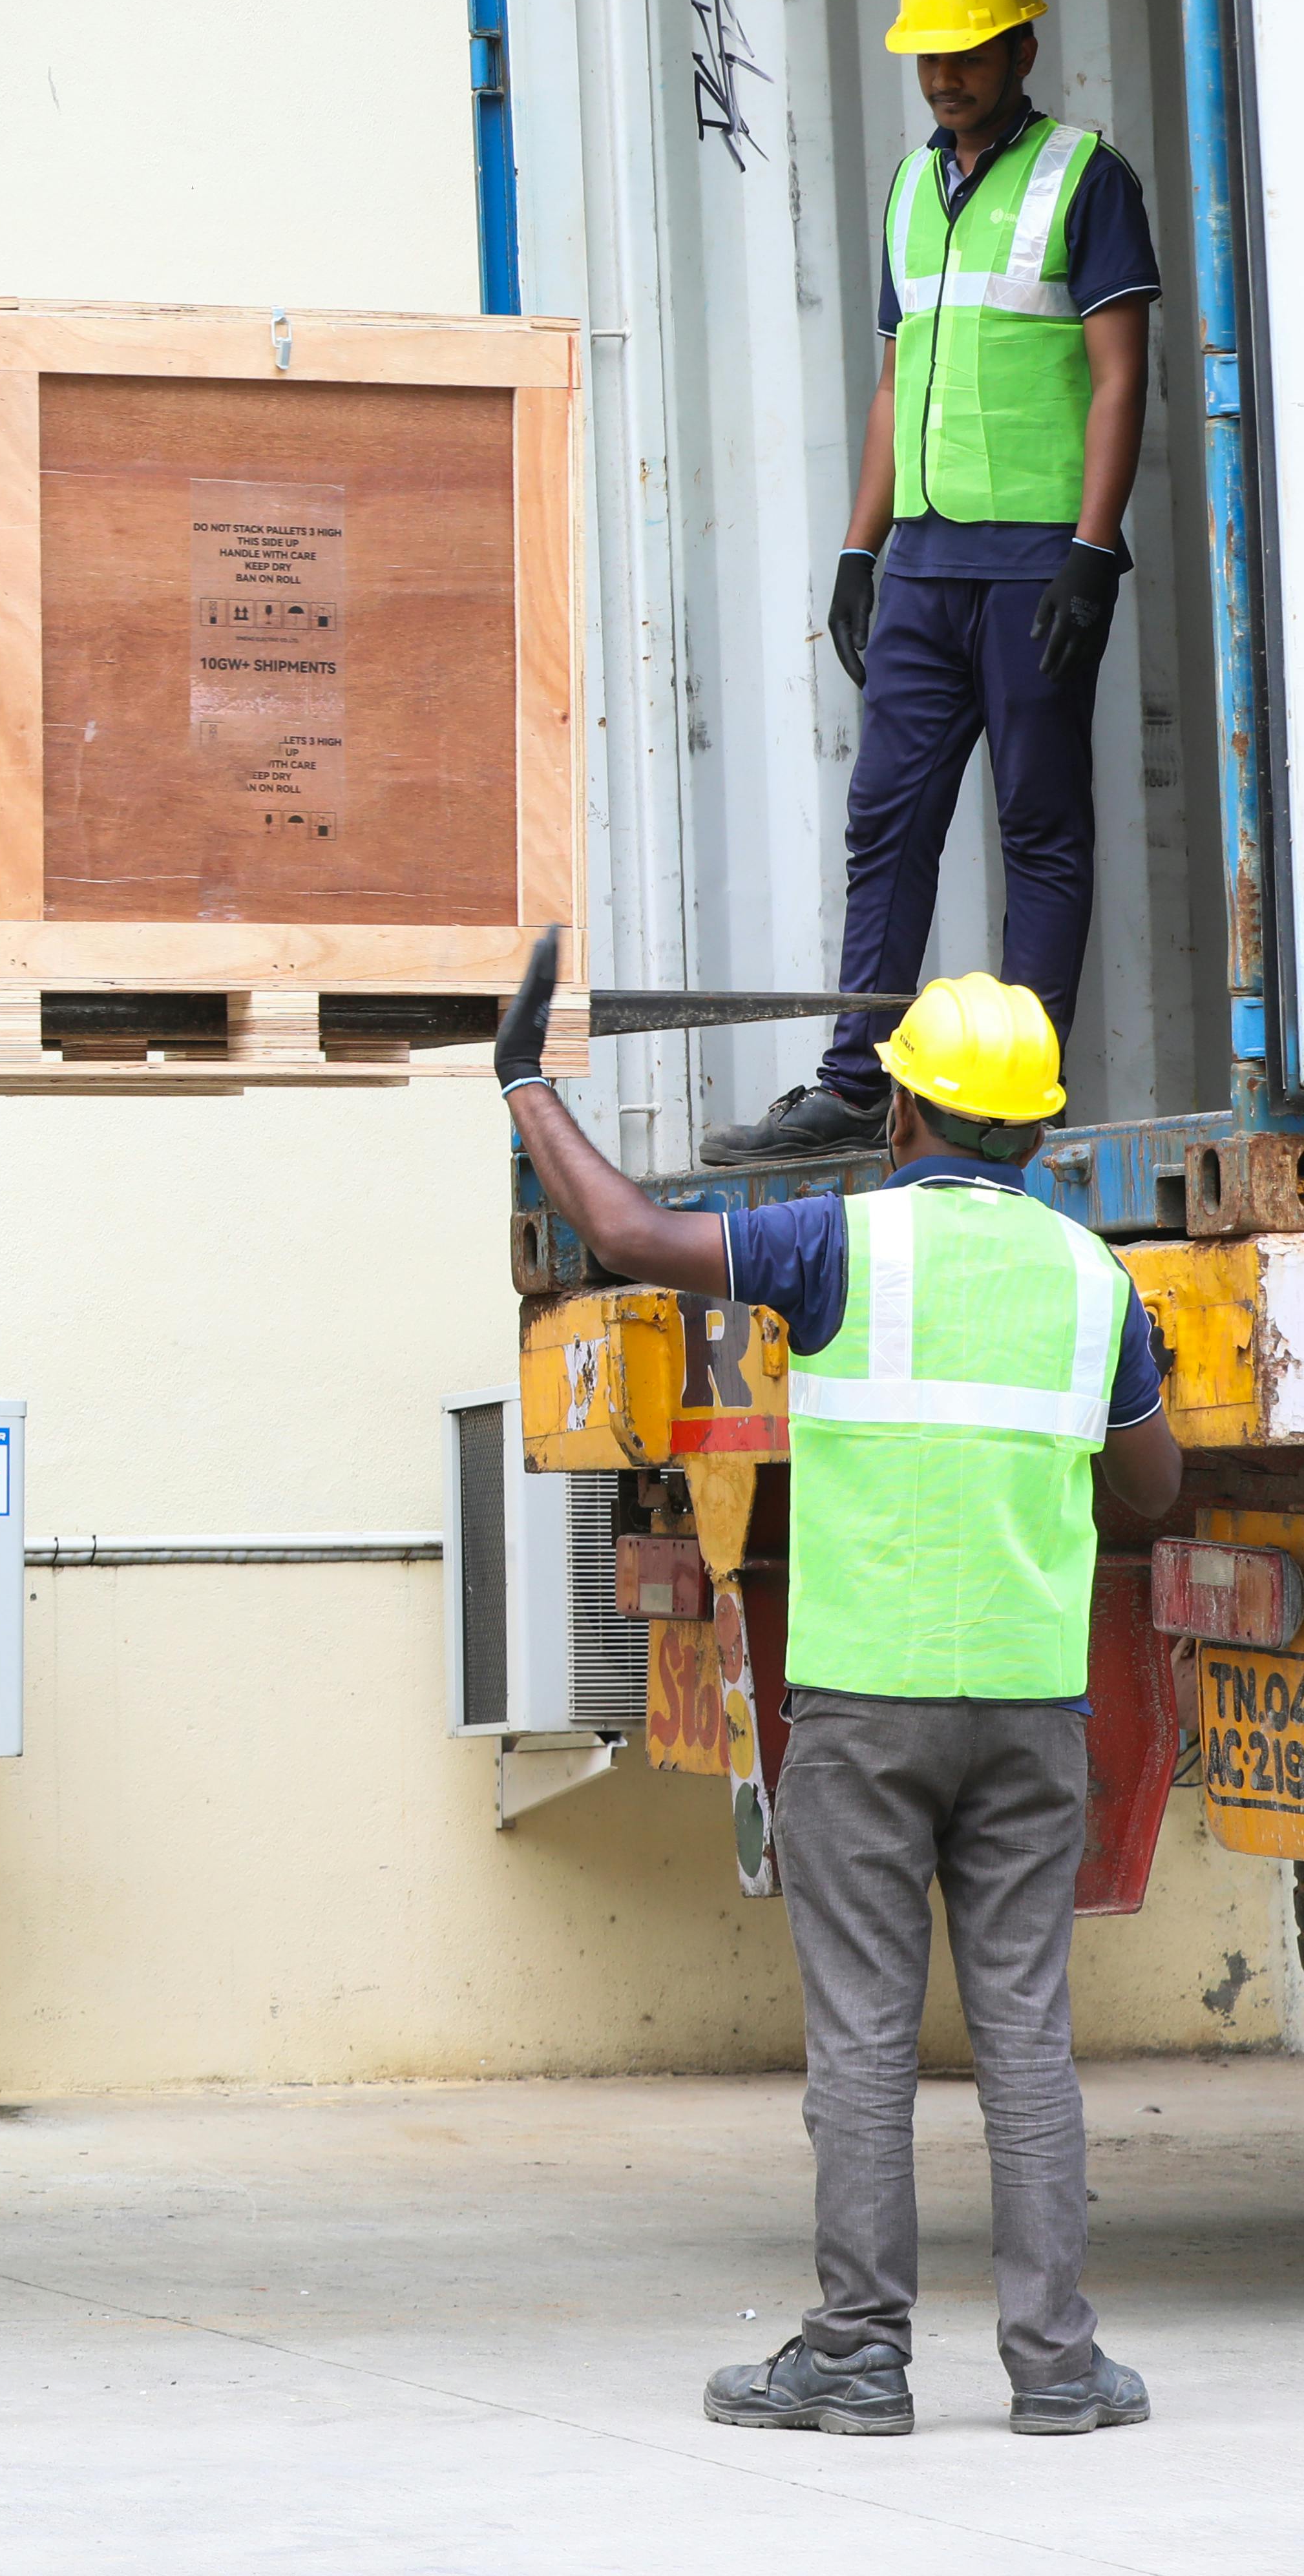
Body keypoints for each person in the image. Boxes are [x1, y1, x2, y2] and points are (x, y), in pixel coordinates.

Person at [500, 938, 1175, 2435]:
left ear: (903, 1119)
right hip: (1029, 1712)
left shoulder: (841, 1243)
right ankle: (1057, 2365)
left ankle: (859, 2360)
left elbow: (620, 1227)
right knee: (1027, 2035)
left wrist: (526, 1087)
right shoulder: (1094, 1277)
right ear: (1042, 1133)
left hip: (867, 1711)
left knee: (867, 2036)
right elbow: (1151, 1481)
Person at [713, 0, 1160, 1163]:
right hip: (922, 562)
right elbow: (895, 376)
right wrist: (860, 553)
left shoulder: (1088, 179)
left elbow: (1122, 377)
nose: (946, 77)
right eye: (930, 58)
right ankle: (859, 1083)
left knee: (1039, 827)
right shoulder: (914, 190)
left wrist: (1092, 548)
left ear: (1023, 45)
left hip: (1033, 562)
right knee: (888, 820)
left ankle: (1013, 1100)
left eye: (969, 53)